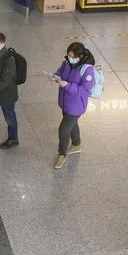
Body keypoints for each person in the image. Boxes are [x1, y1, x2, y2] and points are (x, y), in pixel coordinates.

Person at [51, 41, 98, 169]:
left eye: (73, 56)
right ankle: (76, 144)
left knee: (64, 129)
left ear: (80, 56)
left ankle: (62, 154)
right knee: (72, 124)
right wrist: (56, 76)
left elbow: (84, 90)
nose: (70, 58)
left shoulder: (87, 70)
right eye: (69, 55)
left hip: (76, 106)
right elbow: (61, 71)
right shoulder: (67, 62)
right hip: (65, 102)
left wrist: (67, 85)